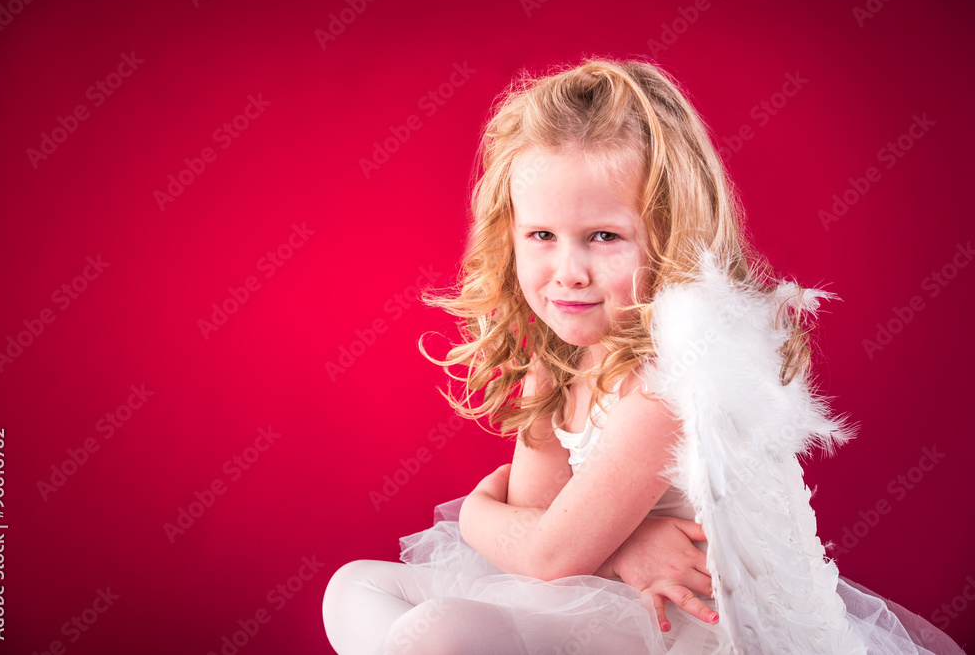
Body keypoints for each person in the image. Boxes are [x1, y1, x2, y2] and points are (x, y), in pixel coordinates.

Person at [322, 57, 965, 654]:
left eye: (603, 236)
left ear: (671, 237)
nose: (568, 271)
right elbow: (538, 519)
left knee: (442, 630)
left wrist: (476, 513)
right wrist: (623, 546)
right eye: (542, 234)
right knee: (353, 586)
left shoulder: (676, 373)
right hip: (601, 598)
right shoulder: (565, 350)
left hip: (688, 629)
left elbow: (544, 555)